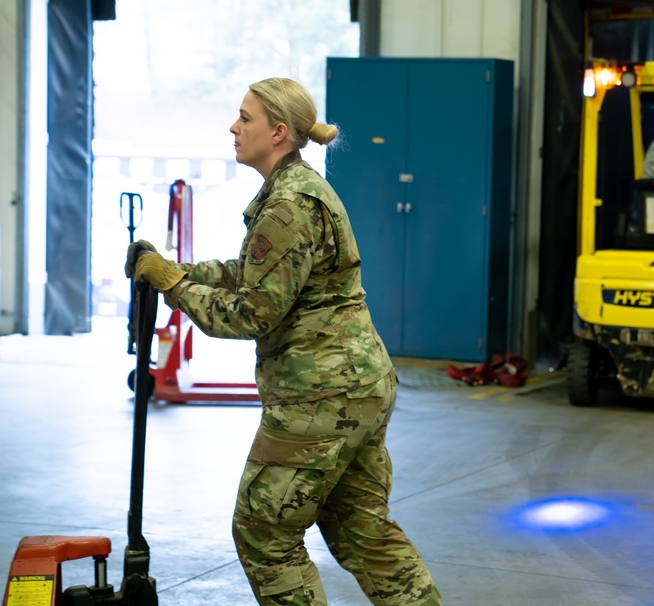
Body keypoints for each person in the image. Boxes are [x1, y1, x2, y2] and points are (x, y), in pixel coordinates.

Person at [125, 77, 442, 606]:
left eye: (244, 118)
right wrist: (177, 270)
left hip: (319, 397)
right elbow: (255, 272)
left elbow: (253, 313)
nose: (232, 126)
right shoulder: (301, 189)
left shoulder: (287, 206)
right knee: (362, 530)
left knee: (264, 534)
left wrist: (175, 287)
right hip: (359, 386)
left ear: (278, 132)